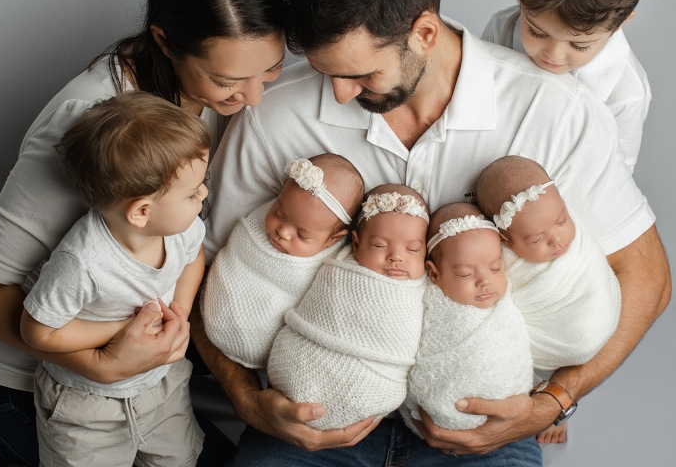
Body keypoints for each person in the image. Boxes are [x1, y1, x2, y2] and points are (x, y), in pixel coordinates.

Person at [193, 0, 670, 466]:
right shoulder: (273, 116)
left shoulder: (555, 112)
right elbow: (201, 269)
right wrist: (246, 399)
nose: (341, 95)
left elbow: (647, 277)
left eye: (362, 75)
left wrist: (552, 403)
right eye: (328, 73)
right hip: (312, 412)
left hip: (481, 423)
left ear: (424, 32)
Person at [0, 0, 286, 467]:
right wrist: (102, 365)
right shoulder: (89, 123)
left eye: (269, 69)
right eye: (228, 80)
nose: (253, 98)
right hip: (34, 376)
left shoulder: (227, 96)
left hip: (148, 376)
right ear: (164, 40)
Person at [19, 91, 210, 465]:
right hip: (87, 405)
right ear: (141, 211)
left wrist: (180, 310)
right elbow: (37, 331)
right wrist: (121, 329)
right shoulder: (84, 261)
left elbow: (193, 258)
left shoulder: (180, 228)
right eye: (192, 193)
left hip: (161, 386)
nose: (203, 193)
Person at [482, 0, 654, 172]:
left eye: (579, 45)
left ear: (620, 23)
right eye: (537, 32)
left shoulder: (626, 94)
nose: (553, 53)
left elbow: (614, 179)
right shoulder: (501, 29)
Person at [476, 155, 621, 444]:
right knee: (499, 346)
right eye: (535, 239)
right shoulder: (498, 256)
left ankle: (558, 397)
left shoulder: (567, 228)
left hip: (599, 316)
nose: (557, 239)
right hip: (542, 341)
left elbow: (594, 269)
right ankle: (538, 392)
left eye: (561, 220)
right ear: (506, 240)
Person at [267, 184, 429, 430]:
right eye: (379, 245)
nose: (396, 256)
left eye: (412, 249)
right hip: (300, 374)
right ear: (355, 243)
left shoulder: (425, 287)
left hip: (379, 389)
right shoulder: (337, 270)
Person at [201, 154, 364, 369]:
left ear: (332, 239)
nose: (283, 232)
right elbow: (234, 253)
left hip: (268, 344)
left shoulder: (332, 264)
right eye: (279, 213)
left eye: (303, 235)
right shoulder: (261, 220)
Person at [401, 203, 533, 434]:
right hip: (428, 416)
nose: (485, 281)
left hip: (507, 419)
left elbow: (521, 351)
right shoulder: (423, 300)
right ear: (434, 274)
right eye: (466, 274)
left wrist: (549, 411)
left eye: (495, 268)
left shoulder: (506, 305)